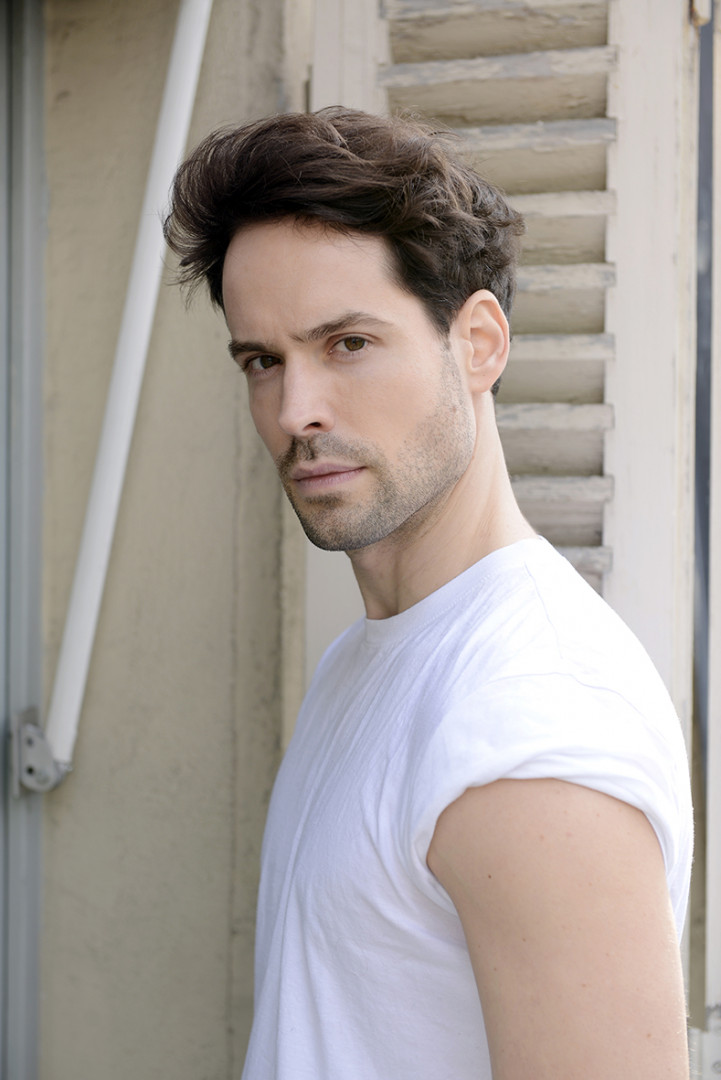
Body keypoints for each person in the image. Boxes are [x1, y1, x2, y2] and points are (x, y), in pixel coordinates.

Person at [164, 108, 693, 1079]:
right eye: (262, 361)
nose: (295, 411)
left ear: (478, 343)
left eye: (347, 343)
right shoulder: (373, 655)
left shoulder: (529, 724)